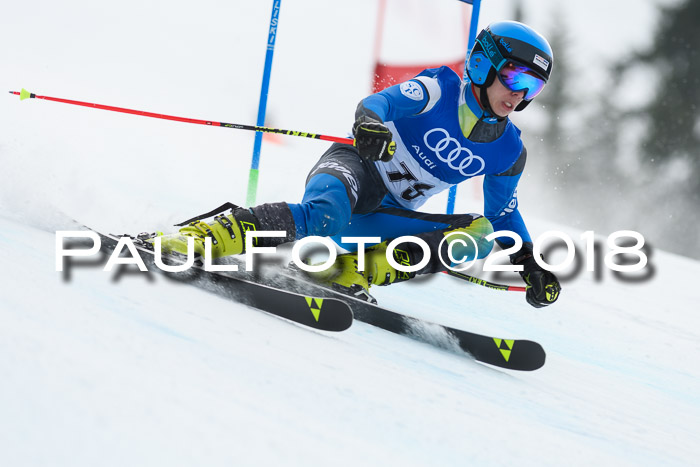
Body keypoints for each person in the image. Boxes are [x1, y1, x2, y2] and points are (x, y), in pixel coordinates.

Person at [151, 20, 561, 308]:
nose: (519, 95)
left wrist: (530, 264)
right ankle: (201, 237)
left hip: (384, 214)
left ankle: (349, 270)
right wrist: (369, 124)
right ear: (482, 64)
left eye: (533, 87)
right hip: (352, 169)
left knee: (481, 233)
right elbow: (379, 103)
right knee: (326, 214)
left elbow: (503, 215)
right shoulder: (440, 89)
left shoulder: (508, 150)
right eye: (514, 78)